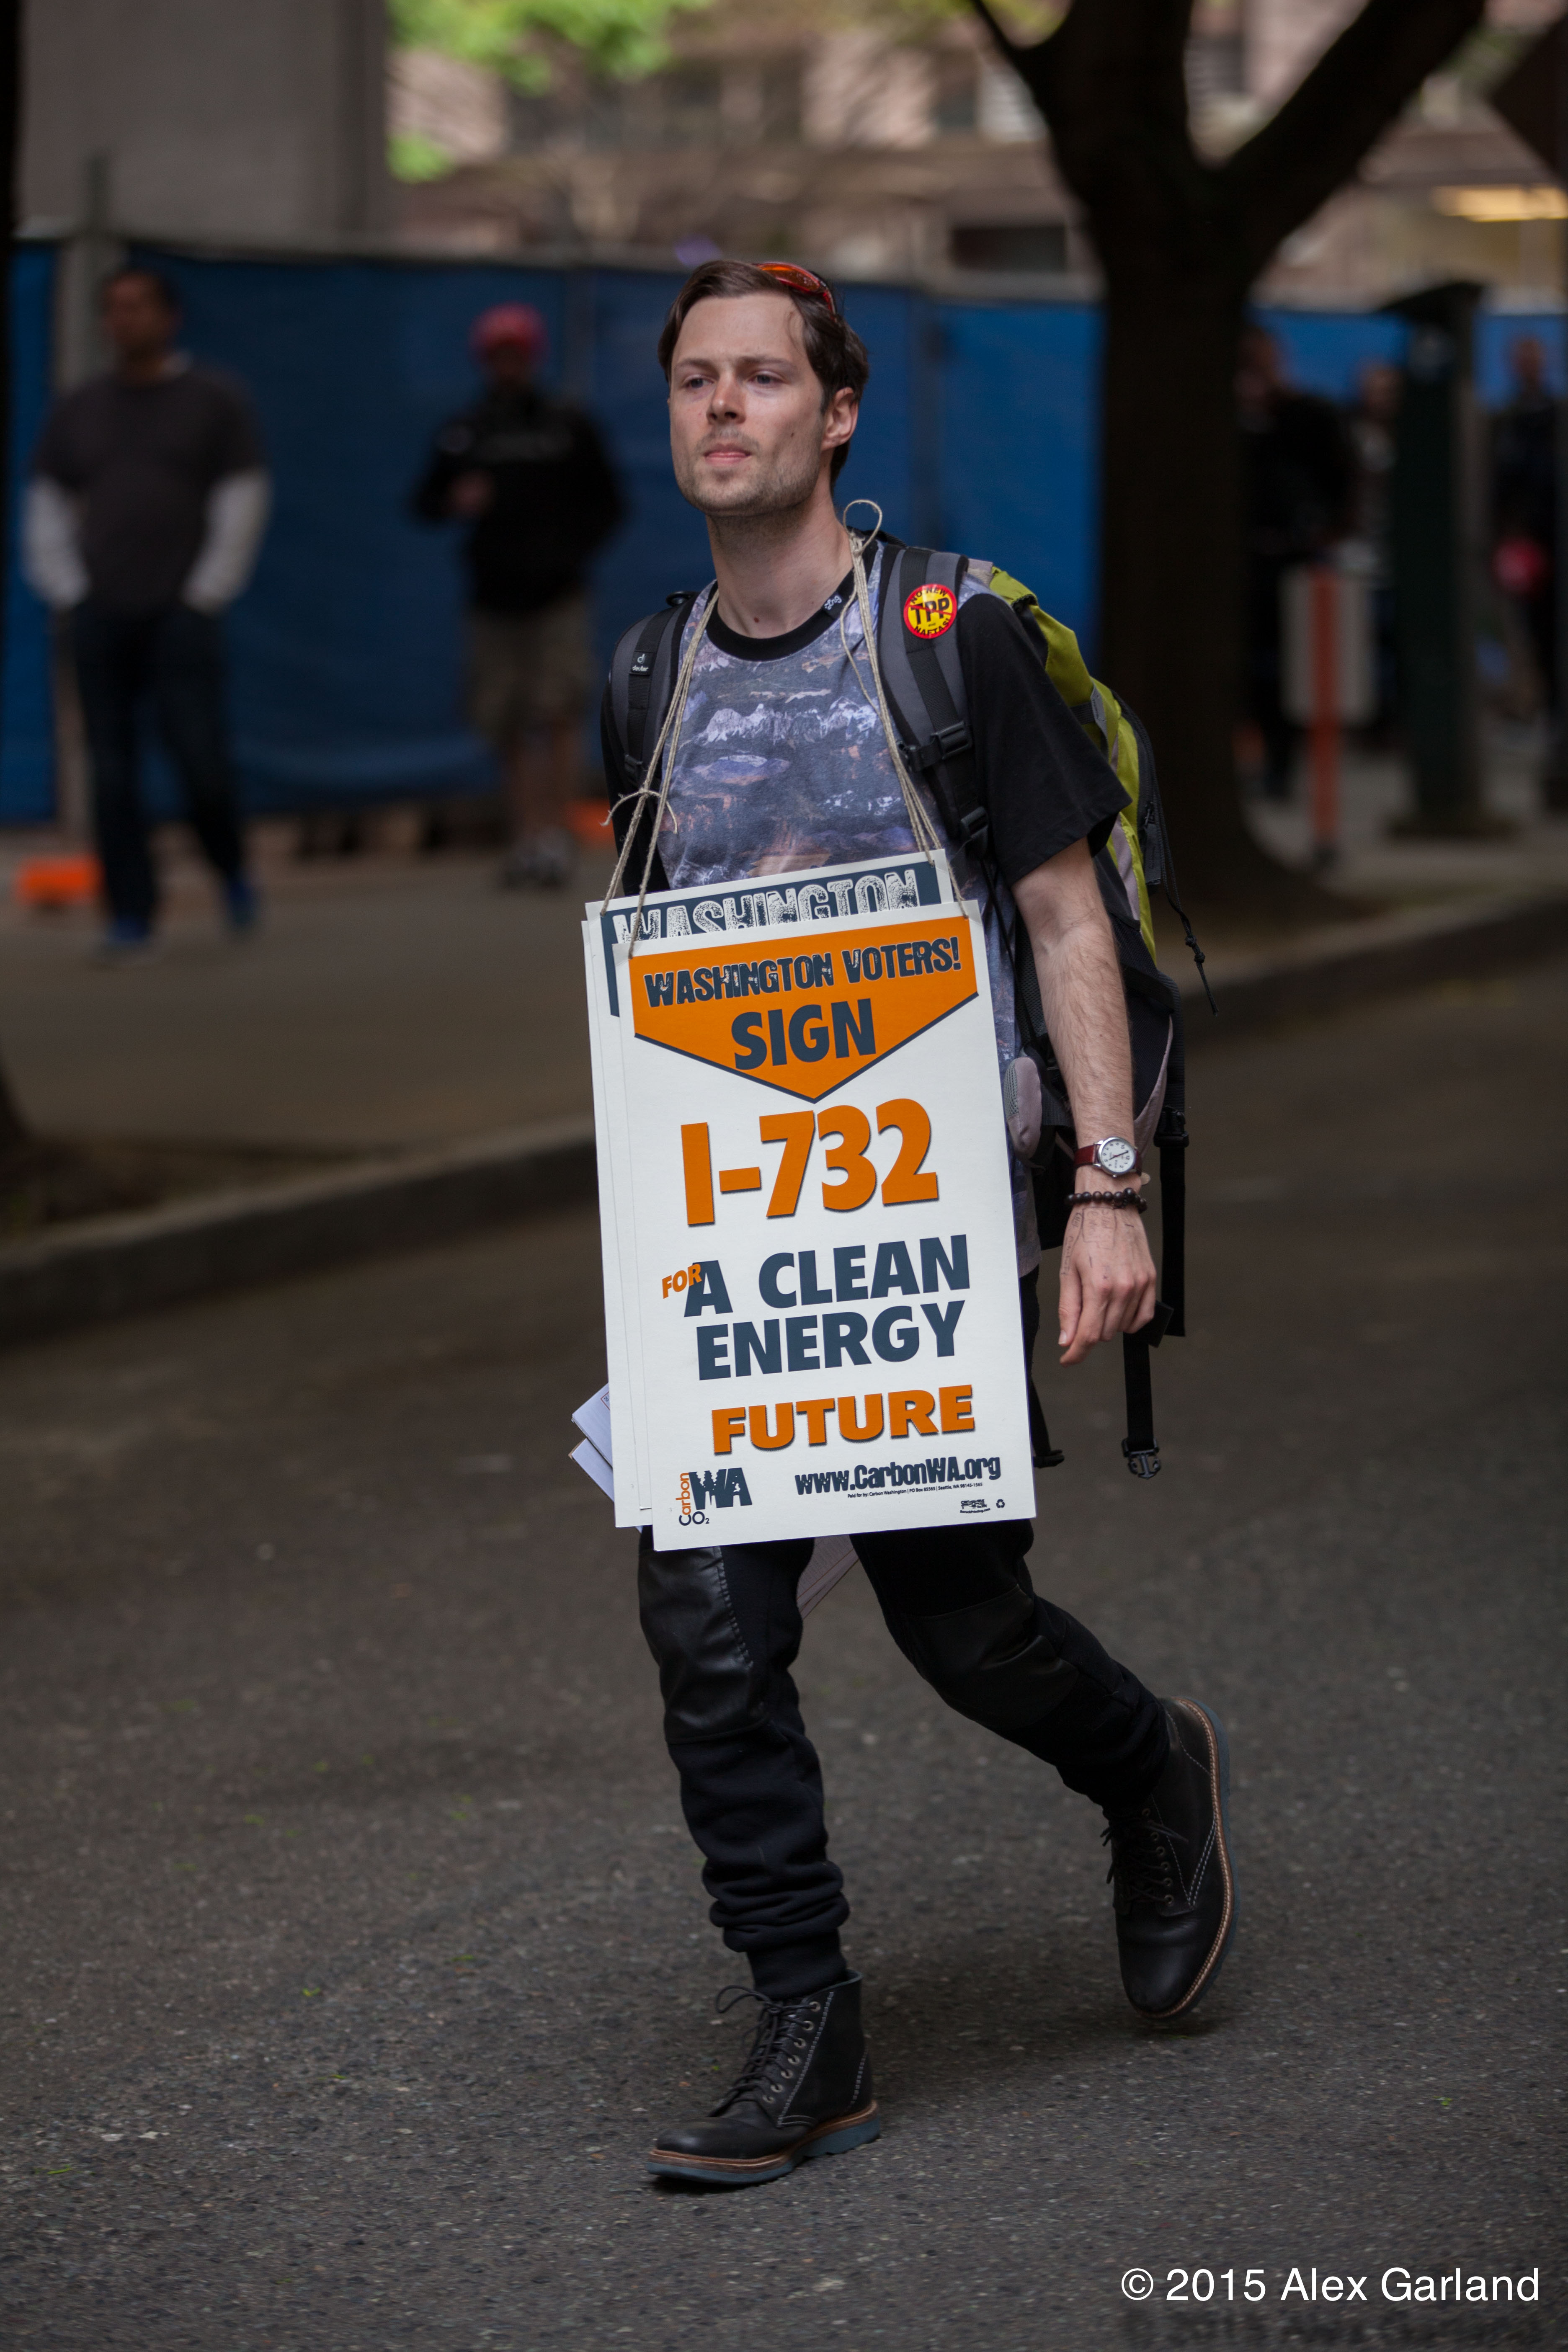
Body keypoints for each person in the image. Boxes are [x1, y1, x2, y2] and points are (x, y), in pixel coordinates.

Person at [601, 258, 1237, 2188]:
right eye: (695, 379)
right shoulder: (644, 674)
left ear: (837, 412)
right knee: (706, 1624)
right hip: (741, 1232)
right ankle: (807, 2013)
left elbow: (1063, 919)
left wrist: (1110, 1187)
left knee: (961, 1629)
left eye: (761, 377)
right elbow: (660, 969)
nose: (724, 407)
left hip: (939, 1214)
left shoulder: (949, 639)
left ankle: (1150, 1765)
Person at [24, 266, 269, 959]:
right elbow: (47, 502)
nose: (123, 320)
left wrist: (205, 591)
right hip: (102, 615)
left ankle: (229, 869)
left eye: (137, 307)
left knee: (199, 757)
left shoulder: (213, 400)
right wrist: (71, 590)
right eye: (113, 309)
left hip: (181, 615)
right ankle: (131, 910)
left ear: (169, 317)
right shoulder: (80, 409)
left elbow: (242, 498)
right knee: (111, 768)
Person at [414, 304, 624, 888]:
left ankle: (555, 838)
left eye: (517, 353)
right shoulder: (467, 430)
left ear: (532, 357)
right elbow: (424, 502)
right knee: (505, 719)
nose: (508, 364)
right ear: (485, 360)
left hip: (558, 597)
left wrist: (568, 552)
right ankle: (525, 838)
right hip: (493, 600)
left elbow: (609, 503)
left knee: (557, 710)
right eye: (498, 354)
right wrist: (455, 500)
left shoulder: (567, 426)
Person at [1237, 322, 1355, 799]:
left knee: (1291, 667)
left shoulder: (1308, 416)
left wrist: (1322, 534)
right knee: (1248, 669)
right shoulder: (1230, 424)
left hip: (1293, 560)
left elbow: (1342, 481)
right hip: (1243, 565)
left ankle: (1282, 765)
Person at [1489, 333, 1557, 730]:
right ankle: (1532, 701)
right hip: (1522, 545)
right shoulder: (1504, 421)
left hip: (1556, 538)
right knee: (1525, 630)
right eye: (1521, 359)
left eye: (1534, 358)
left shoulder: (1557, 415)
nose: (1528, 366)